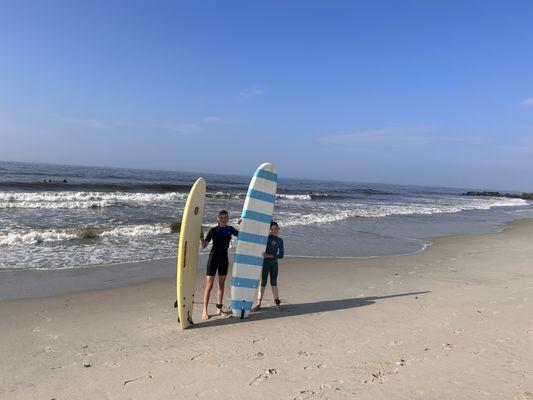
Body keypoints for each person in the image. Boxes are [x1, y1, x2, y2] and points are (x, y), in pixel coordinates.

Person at [200, 210, 239, 320]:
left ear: (228, 218)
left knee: (221, 285)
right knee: (209, 284)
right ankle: (204, 310)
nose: (223, 219)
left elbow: (241, 235)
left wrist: (241, 224)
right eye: (221, 217)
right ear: (218, 218)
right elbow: (204, 246)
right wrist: (201, 237)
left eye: (225, 217)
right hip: (213, 259)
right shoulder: (213, 230)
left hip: (224, 259)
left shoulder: (230, 229)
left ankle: (219, 308)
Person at [253, 221, 284, 312]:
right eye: (272, 229)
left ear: (278, 229)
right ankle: (258, 303)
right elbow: (257, 235)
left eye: (275, 229)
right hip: (265, 263)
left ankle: (277, 303)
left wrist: (269, 256)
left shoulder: (280, 241)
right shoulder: (266, 238)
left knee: (274, 282)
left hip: (274, 263)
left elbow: (281, 255)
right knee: (263, 282)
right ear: (269, 230)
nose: (274, 231)